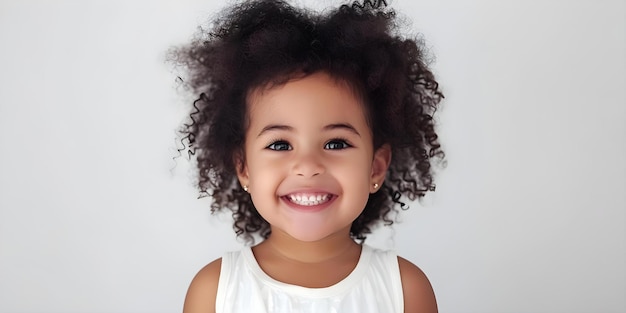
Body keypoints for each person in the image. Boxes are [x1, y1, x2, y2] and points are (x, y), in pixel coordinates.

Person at [170, 0, 444, 312]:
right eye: (280, 145)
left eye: (336, 143)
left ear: (376, 168)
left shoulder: (404, 289)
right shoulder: (216, 291)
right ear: (244, 168)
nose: (308, 166)